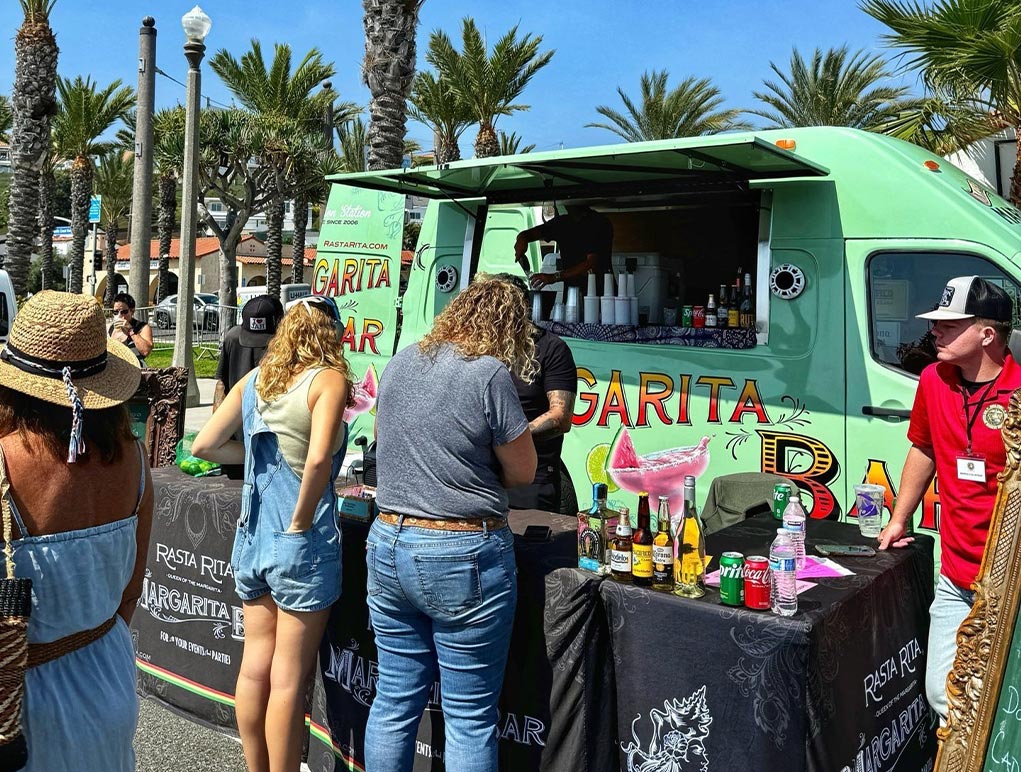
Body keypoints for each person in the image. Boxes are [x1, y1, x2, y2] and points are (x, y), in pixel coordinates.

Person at [367, 277, 537, 772]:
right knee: (469, 715)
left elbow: (382, 436)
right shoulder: (488, 374)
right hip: (461, 549)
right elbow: (523, 472)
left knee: (395, 698)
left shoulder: (402, 360)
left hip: (389, 539)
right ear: (510, 327)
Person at [192, 295, 352, 772]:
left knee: (255, 664)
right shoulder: (328, 380)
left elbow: (203, 444)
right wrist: (302, 521)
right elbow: (319, 461)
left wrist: (251, 462)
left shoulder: (256, 378)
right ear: (332, 331)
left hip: (253, 533)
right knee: (289, 677)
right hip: (298, 538)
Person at [0, 290, 152, 771]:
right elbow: (130, 592)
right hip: (107, 673)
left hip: (23, 704)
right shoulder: (135, 460)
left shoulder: (5, 464)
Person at [879, 275, 1021, 723]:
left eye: (949, 324)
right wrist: (900, 518)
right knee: (945, 696)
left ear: (987, 334)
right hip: (958, 575)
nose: (934, 331)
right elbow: (923, 448)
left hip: (1013, 582)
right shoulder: (934, 380)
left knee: (1005, 706)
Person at [489, 273, 578, 513]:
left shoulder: (551, 348)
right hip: (483, 478)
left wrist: (508, 438)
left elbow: (560, 417)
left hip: (531, 478)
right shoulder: (483, 348)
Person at [514, 204, 614, 293]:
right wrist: (522, 238)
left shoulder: (598, 223)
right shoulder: (562, 223)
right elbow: (531, 234)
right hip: (572, 293)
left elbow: (591, 263)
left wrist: (554, 277)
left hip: (602, 295)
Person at [213, 294, 284, 410]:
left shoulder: (232, 336)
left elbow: (221, 385)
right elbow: (221, 385)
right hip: (247, 417)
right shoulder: (233, 338)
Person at [108, 291, 154, 364]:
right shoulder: (110, 328)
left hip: (135, 366)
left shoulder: (142, 327)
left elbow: (145, 351)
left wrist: (130, 330)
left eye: (124, 312)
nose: (120, 315)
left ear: (132, 311)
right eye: (116, 312)